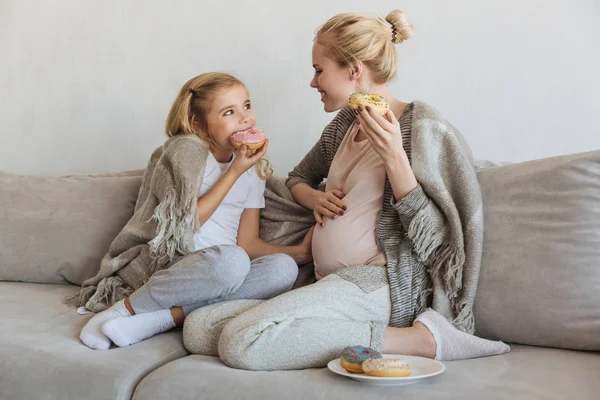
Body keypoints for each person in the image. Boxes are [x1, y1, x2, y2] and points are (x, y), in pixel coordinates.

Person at [186, 10, 510, 370]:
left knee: (241, 342)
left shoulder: (422, 128)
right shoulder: (343, 124)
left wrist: (395, 160)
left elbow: (441, 245)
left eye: (319, 70)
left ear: (354, 70)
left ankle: (422, 340)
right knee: (198, 328)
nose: (313, 82)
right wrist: (313, 197)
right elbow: (298, 178)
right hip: (330, 283)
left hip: (380, 284)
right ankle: (334, 331)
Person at [78, 72, 313, 350]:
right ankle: (122, 310)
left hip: (224, 270)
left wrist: (300, 254)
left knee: (283, 270)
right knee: (232, 262)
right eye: (229, 112)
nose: (245, 118)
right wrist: (234, 172)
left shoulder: (253, 173)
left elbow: (247, 243)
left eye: (247, 106)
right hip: (179, 264)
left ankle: (164, 318)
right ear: (199, 125)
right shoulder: (187, 153)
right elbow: (182, 226)